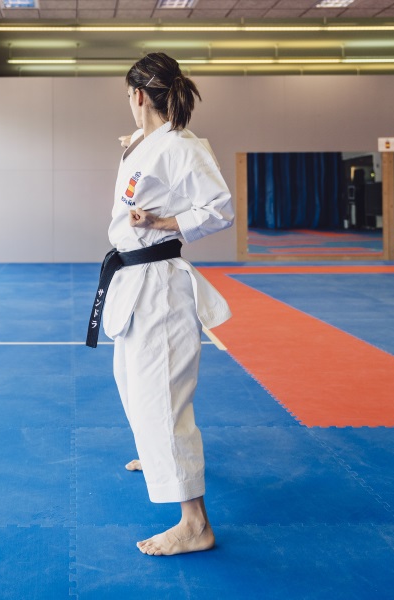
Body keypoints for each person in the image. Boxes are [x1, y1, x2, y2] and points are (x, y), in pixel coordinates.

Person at [86, 52, 234, 556]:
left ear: (139, 95)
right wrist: (136, 148)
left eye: (129, 95)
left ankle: (195, 523)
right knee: (130, 379)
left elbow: (220, 208)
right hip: (133, 280)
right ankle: (157, 455)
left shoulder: (181, 147)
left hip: (160, 285)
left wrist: (167, 223)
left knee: (163, 397)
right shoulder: (145, 144)